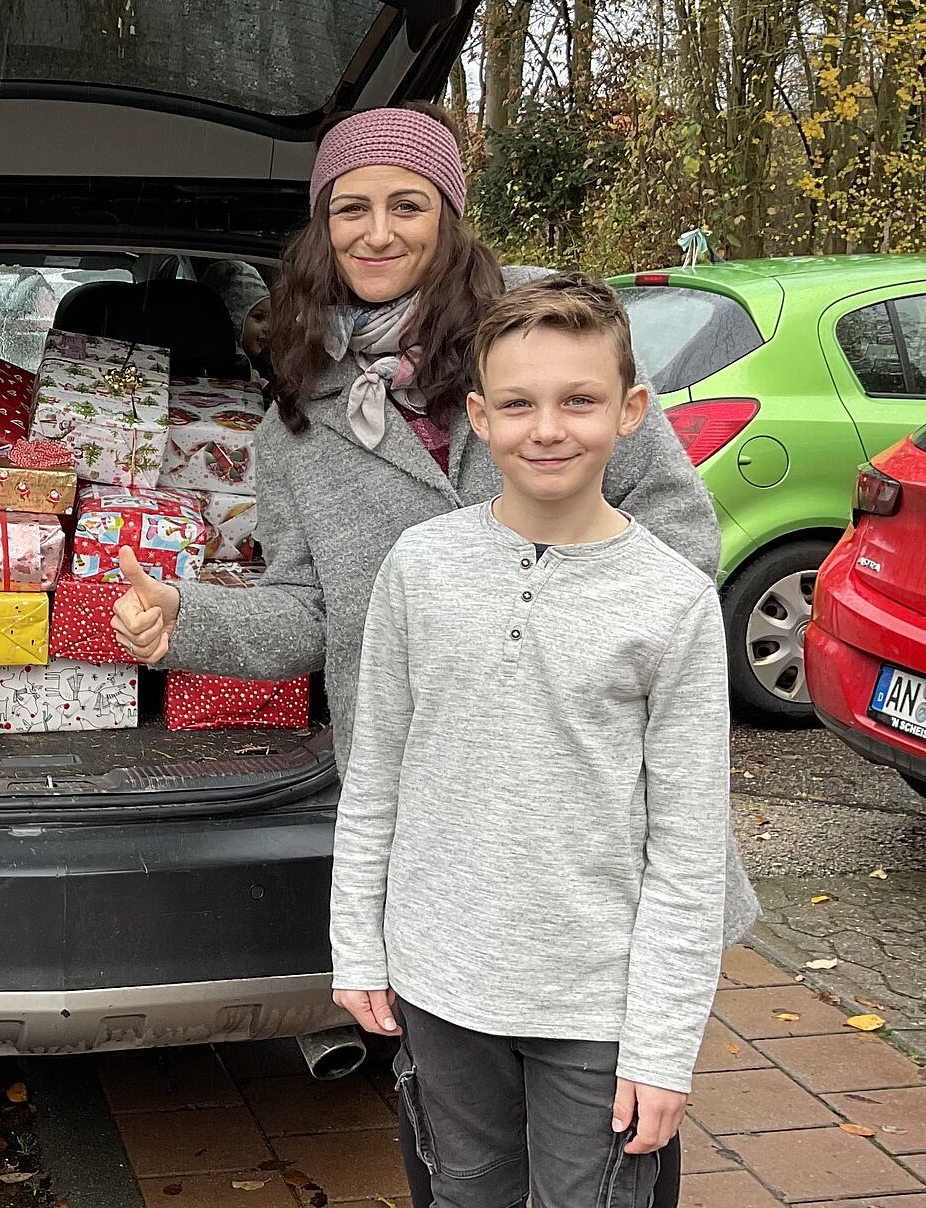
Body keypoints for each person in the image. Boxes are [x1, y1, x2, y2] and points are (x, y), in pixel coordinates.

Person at [110, 103, 757, 1208]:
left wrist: (567, 627)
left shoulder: (547, 353)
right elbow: (310, 609)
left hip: (589, 816)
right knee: (463, 1166)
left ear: (449, 219)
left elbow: (682, 543)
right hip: (441, 838)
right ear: (320, 230)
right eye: (349, 209)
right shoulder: (298, 415)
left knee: (597, 1157)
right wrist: (193, 623)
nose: (377, 231)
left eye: (406, 204)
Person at [330, 273, 727, 1207]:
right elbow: (376, 768)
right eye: (518, 403)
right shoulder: (420, 567)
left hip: (596, 1001)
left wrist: (664, 1045)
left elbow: (687, 849)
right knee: (462, 1190)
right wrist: (359, 941)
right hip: (441, 980)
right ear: (480, 414)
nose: (547, 428)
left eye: (579, 400)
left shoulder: (672, 602)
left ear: (632, 410)